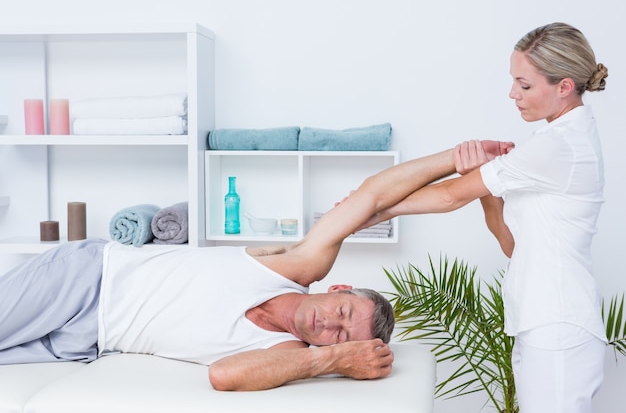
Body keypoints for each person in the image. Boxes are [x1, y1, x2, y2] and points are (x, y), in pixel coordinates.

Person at [0, 139, 512, 392]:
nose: (328, 323)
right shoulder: (296, 265)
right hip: (88, 277)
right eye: (340, 309)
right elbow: (373, 193)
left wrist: (329, 361)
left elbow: (224, 376)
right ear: (339, 287)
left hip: (84, 342)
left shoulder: (285, 351)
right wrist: (456, 158)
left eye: (339, 336)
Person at [355, 22, 609, 413]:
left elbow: (448, 196)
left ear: (564, 86)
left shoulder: (562, 145)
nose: (513, 94)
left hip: (559, 328)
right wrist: (489, 189)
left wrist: (368, 211)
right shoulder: (553, 142)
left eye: (524, 85)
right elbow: (512, 246)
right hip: (539, 323)